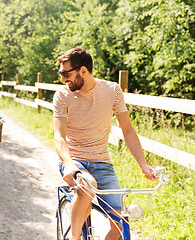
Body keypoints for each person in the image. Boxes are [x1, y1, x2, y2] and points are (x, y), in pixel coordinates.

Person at [53, 47, 156, 240]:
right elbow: (59, 136)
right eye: (61, 73)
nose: (63, 79)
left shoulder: (112, 90)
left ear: (83, 71)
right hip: (75, 161)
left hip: (103, 164)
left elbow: (127, 130)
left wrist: (143, 165)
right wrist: (69, 164)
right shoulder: (62, 96)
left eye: (66, 73)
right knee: (88, 184)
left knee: (120, 223)